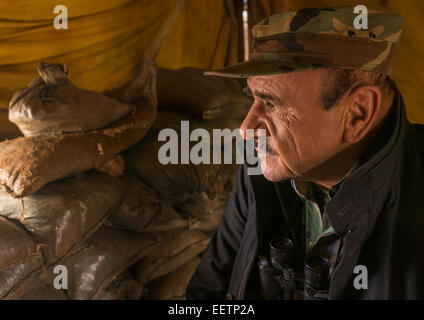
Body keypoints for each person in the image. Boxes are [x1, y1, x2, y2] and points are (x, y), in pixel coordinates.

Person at [186, 6, 424, 300]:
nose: (246, 129)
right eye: (254, 98)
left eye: (272, 104)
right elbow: (208, 292)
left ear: (357, 114)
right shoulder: (260, 168)